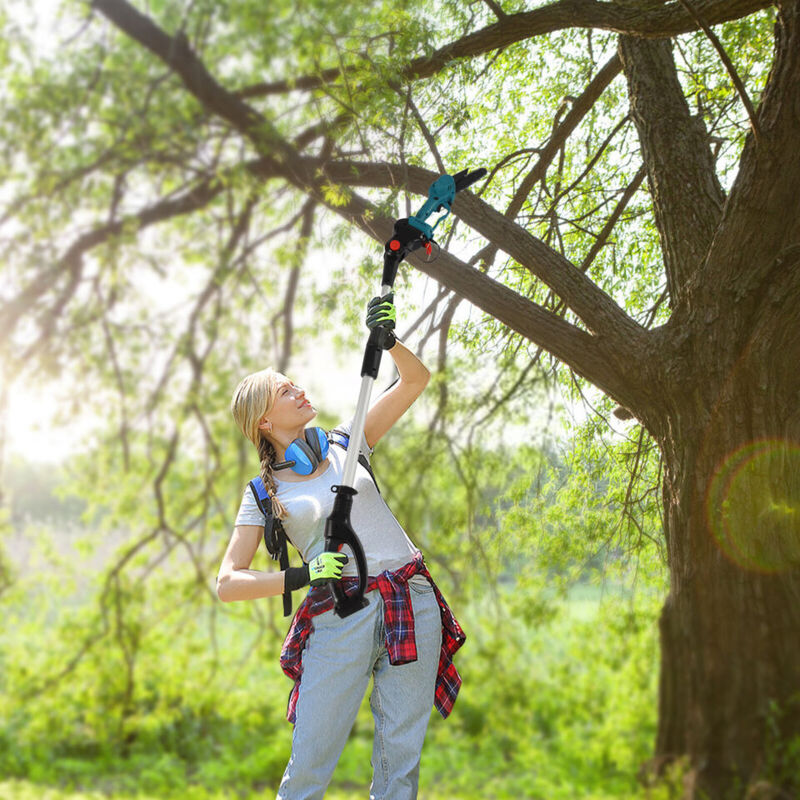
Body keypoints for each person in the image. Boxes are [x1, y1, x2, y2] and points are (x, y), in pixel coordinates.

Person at [217, 293, 465, 800]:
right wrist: (303, 576)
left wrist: (389, 342)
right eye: (286, 392)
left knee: (399, 764)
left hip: (409, 602)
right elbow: (228, 583)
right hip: (339, 615)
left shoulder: (347, 443)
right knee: (310, 763)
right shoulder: (265, 493)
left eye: (295, 384)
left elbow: (415, 381)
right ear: (264, 421)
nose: (299, 391)